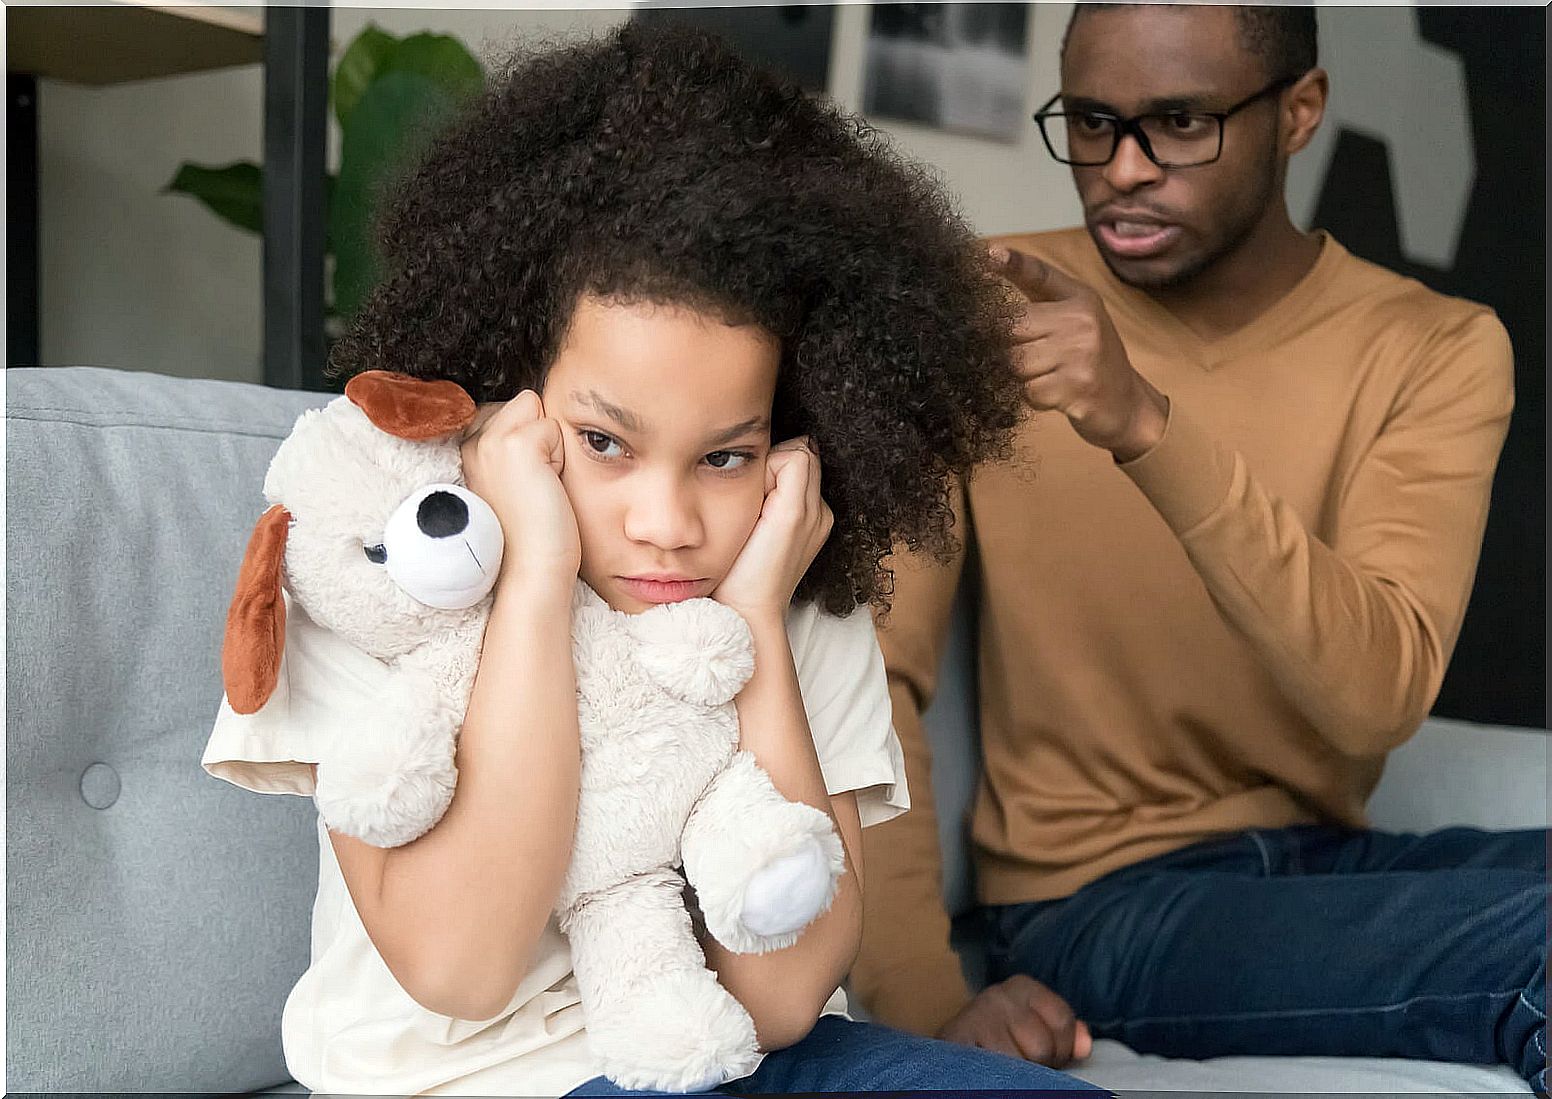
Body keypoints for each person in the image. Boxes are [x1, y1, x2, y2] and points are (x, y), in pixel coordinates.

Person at [202, 23, 1106, 1098]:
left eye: (724, 455)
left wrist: (761, 623)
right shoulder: (384, 572)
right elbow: (462, 964)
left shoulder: (792, 593)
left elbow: (778, 1001)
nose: (667, 521)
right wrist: (534, 576)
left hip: (761, 1059)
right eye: (604, 443)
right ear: (509, 390)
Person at [850, 4, 1545, 1093]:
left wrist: (1144, 425)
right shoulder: (983, 314)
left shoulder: (1435, 349)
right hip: (1098, 899)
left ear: (1299, 113)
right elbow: (866, 674)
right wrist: (923, 1000)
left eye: (1177, 123)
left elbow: (1374, 694)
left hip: (1321, 864)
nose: (1121, 169)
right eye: (1091, 121)